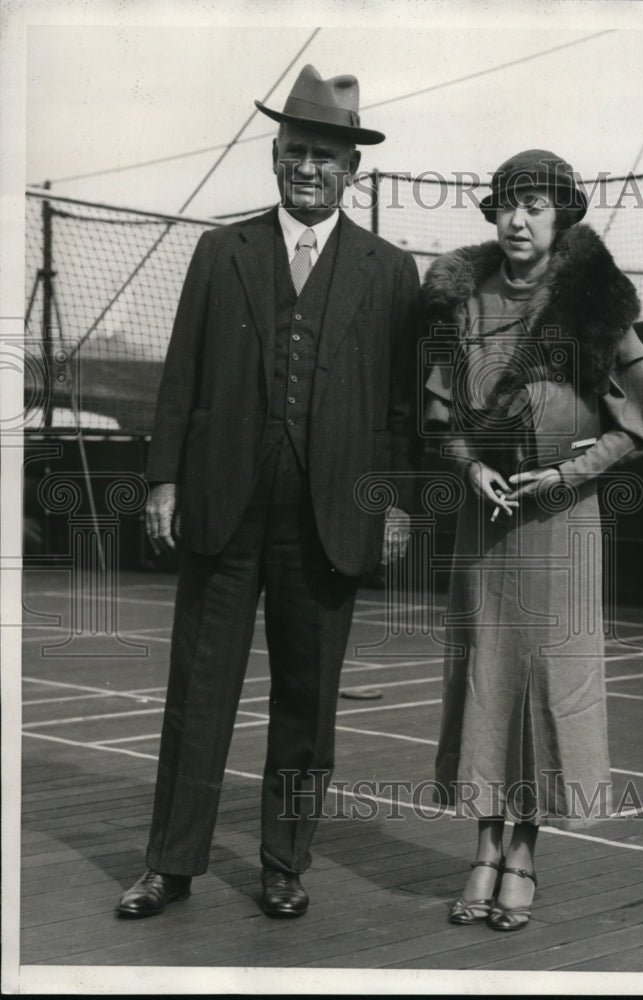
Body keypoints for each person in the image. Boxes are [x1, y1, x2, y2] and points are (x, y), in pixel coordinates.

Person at [116, 65, 420, 921]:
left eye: (326, 156)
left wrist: (392, 500)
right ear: (274, 156)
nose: (309, 168)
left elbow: (402, 409)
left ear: (351, 169)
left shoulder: (390, 271)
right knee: (198, 694)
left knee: (306, 703)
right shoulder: (222, 252)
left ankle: (285, 862)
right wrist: (166, 478)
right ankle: (170, 865)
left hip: (329, 518)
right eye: (296, 152)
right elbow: (181, 375)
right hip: (221, 504)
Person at [423, 149, 643, 931]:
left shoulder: (595, 302)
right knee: (485, 680)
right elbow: (438, 418)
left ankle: (523, 852)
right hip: (484, 526)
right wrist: (469, 468)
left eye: (534, 205)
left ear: (561, 216)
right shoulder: (462, 297)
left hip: (562, 523)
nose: (517, 219)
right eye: (505, 205)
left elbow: (639, 425)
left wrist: (564, 475)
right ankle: (482, 848)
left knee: (546, 684)